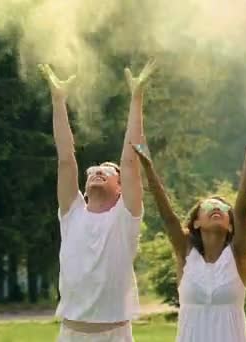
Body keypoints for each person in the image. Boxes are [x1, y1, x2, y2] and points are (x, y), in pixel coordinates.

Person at [40, 59, 157, 342]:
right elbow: (67, 158)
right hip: (71, 333)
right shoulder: (72, 212)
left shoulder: (125, 217)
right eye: (93, 171)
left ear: (120, 188)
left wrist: (136, 97)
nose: (97, 172)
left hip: (114, 335)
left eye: (107, 171)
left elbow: (130, 161)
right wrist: (58, 101)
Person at [132, 135, 246, 342]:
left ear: (230, 225)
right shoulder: (186, 252)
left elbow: (241, 209)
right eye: (208, 206)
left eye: (222, 208)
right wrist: (148, 168)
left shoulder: (237, 255)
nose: (216, 208)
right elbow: (168, 217)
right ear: (196, 222)